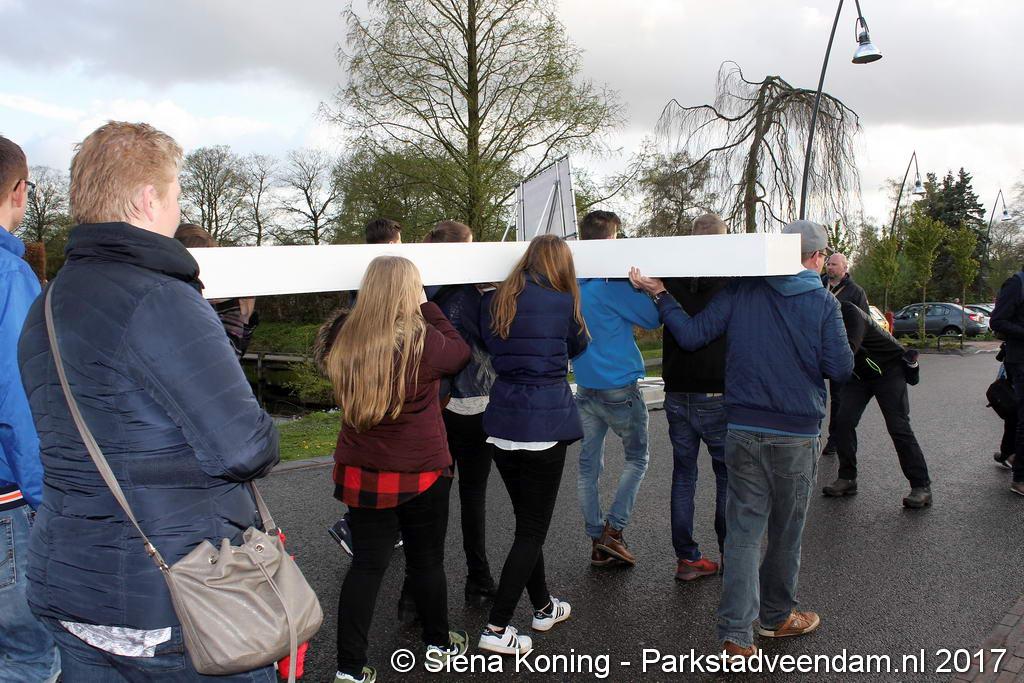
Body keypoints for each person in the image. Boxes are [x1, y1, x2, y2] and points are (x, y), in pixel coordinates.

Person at [17, 122, 280, 680]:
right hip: (171, 592)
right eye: (176, 192)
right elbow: (244, 448)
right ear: (147, 199)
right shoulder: (162, 297)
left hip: (71, 585)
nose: (177, 209)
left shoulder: (48, 304)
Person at [629, 219, 853, 659]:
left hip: (743, 428)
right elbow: (840, 368)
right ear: (815, 257)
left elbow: (691, 334)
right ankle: (777, 617)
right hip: (795, 433)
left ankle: (735, 636)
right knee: (785, 533)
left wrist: (660, 293)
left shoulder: (741, 289)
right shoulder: (823, 303)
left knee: (743, 534)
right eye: (823, 256)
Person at [328, 255, 470, 682]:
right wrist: (428, 306)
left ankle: (349, 669)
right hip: (421, 471)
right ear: (410, 290)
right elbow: (460, 353)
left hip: (362, 471)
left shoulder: (343, 334)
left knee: (366, 566)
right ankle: (438, 646)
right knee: (427, 562)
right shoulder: (423, 340)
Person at [477, 234, 588, 655]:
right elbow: (580, 344)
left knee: (527, 523)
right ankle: (496, 628)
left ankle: (543, 607)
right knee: (531, 530)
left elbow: (485, 342)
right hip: (545, 421)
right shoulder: (564, 301)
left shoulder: (495, 300)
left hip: (503, 420)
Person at [0, 136, 60, 682]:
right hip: (7, 501)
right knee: (30, 657)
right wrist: (48, 501)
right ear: (18, 190)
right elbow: (20, 401)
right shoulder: (11, 277)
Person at [572, 210, 660, 567]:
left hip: (585, 385)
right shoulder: (611, 284)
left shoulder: (570, 282)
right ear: (611, 239)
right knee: (637, 459)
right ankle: (614, 531)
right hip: (619, 387)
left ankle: (597, 539)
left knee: (588, 468)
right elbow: (653, 318)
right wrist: (643, 288)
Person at [424, 221, 500, 602]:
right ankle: (479, 579)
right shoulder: (477, 291)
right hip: (475, 402)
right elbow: (493, 341)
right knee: (473, 494)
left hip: (432, 404)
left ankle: (416, 592)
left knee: (433, 499)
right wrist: (493, 296)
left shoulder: (419, 288)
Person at [660, 213, 730, 581]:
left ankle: (687, 558)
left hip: (677, 389)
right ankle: (731, 554)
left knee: (684, 475)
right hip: (717, 390)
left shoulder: (670, 278)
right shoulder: (730, 280)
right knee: (727, 476)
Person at [821, 301, 933, 507]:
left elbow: (848, 351)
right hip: (859, 374)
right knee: (843, 422)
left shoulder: (849, 312)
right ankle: (847, 478)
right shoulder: (817, 318)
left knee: (898, 427)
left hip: (889, 370)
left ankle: (921, 486)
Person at [174, 223, 259, 356]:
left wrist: (245, 318)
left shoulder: (213, 302)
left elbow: (233, 356)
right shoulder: (178, 304)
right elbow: (216, 359)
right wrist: (237, 315)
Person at [821, 252, 868, 457]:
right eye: (828, 263)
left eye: (834, 264)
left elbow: (862, 322)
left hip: (839, 349)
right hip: (816, 348)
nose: (829, 267)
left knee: (838, 398)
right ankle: (810, 435)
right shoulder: (818, 284)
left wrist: (852, 351)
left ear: (844, 268)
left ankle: (834, 439)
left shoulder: (855, 292)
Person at [989, 270, 1024, 496]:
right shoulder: (1017, 283)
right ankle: (1020, 478)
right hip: (1020, 360)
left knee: (1017, 414)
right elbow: (997, 321)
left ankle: (1009, 453)